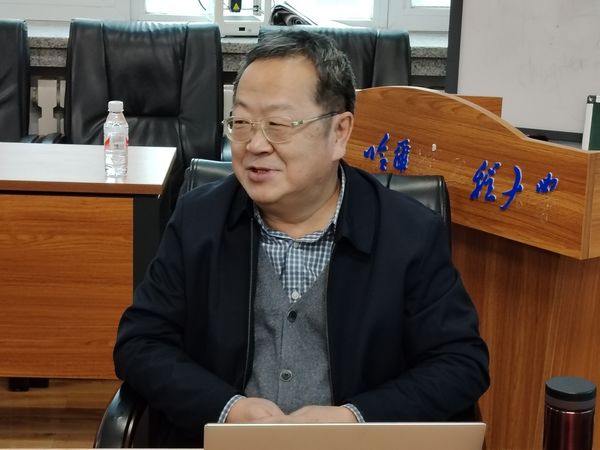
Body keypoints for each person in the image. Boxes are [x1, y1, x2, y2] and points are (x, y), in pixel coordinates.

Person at [114, 29, 489, 447]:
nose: (255, 144)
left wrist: (354, 419)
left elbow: (461, 363)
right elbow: (140, 343)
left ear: (339, 132)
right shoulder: (198, 219)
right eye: (241, 123)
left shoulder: (409, 233)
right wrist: (227, 408)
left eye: (278, 124)